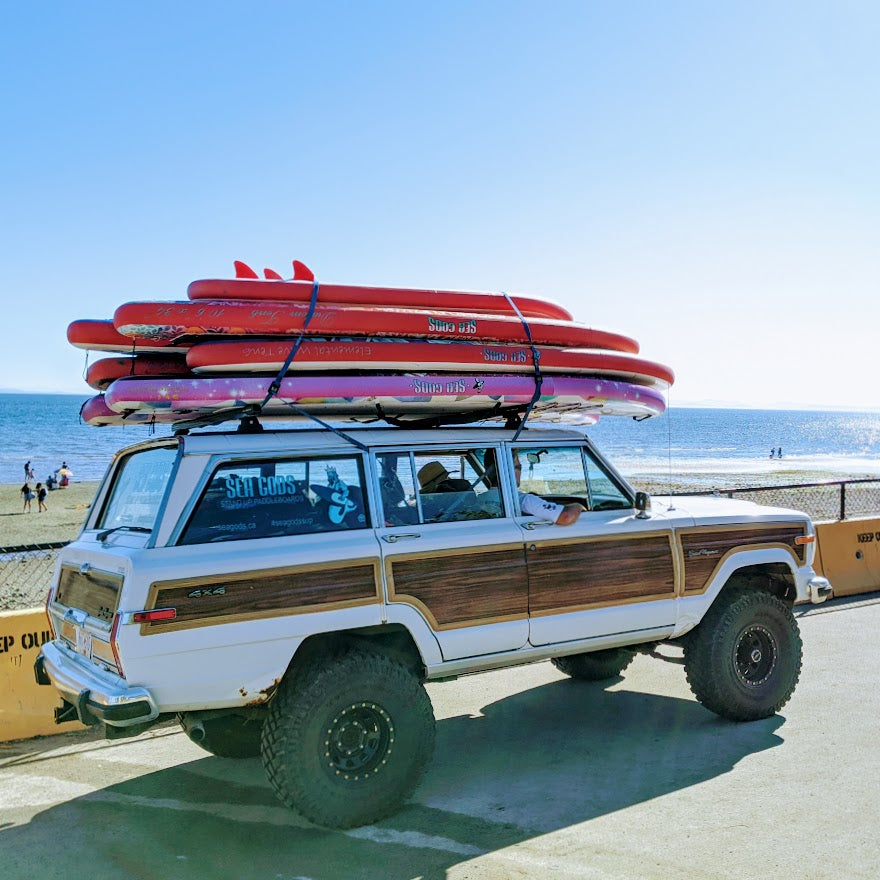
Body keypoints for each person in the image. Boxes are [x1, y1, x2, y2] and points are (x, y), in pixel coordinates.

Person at [511, 451, 585, 525]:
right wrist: (579, 506)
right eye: (518, 467)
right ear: (509, 469)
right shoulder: (524, 500)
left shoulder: (504, 498)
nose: (521, 471)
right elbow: (566, 517)